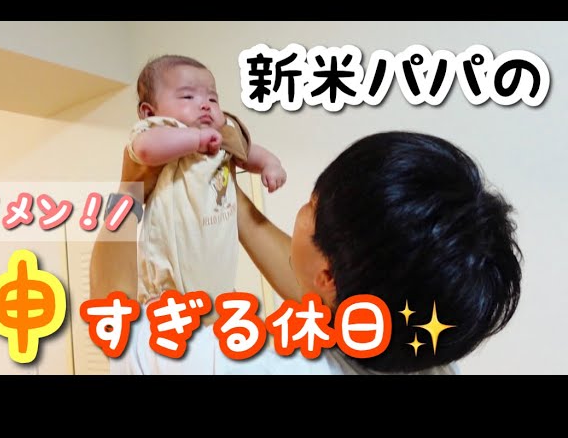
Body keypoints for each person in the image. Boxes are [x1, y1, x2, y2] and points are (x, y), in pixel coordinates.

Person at [91, 129, 522, 375]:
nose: (304, 208)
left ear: (329, 276)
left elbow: (118, 322)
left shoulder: (238, 362)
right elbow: (324, 296)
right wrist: (222, 191)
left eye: (311, 206)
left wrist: (130, 187)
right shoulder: (428, 355)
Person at [113, 54, 286, 321]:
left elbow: (249, 153)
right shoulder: (162, 129)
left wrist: (271, 165)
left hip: (216, 280)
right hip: (168, 287)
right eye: (188, 96)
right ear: (149, 112)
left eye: (212, 99)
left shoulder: (222, 136)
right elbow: (145, 149)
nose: (205, 105)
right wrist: (195, 140)